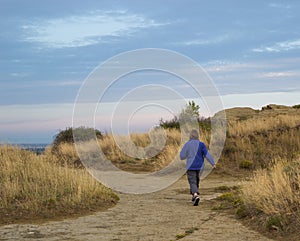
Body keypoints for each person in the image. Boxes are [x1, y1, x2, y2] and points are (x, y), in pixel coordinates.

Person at [180, 129, 216, 206]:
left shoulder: (187, 144)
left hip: (190, 166)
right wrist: (213, 163)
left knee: (192, 181)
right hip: (200, 166)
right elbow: (207, 154)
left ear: (190, 136)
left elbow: (182, 156)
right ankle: (194, 195)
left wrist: (187, 155)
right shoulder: (201, 144)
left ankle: (195, 195)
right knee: (196, 181)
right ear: (197, 136)